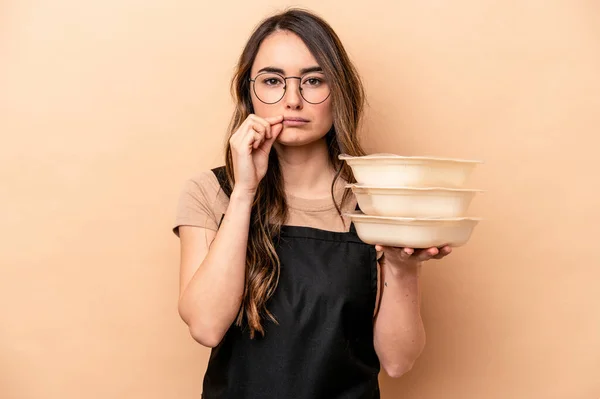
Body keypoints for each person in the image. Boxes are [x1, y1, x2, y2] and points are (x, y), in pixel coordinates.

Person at [173, 8, 452, 399]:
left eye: (313, 81)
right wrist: (245, 193)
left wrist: (403, 268)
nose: (293, 100)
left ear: (338, 91)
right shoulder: (211, 191)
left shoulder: (378, 198)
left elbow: (398, 361)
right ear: (248, 94)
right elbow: (205, 326)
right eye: (272, 81)